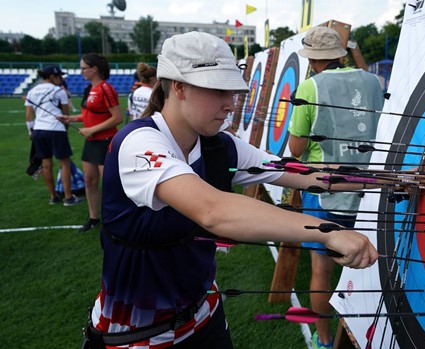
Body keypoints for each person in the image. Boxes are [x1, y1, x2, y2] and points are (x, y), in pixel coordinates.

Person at [80, 31, 379, 349]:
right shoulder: (138, 142)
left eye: (232, 92)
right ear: (179, 87)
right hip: (138, 334)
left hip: (205, 314)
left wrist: (385, 179)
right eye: (218, 91)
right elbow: (214, 211)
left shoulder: (218, 145)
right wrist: (326, 231)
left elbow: (299, 173)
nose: (230, 104)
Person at [288, 26, 385, 349]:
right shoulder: (372, 81)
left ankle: (325, 340)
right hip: (370, 191)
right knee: (371, 262)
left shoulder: (309, 87)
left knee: (322, 271)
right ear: (340, 54)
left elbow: (296, 149)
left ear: (313, 59)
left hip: (325, 193)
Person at [58, 53, 123, 232]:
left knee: (109, 183)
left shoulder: (105, 88)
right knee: (89, 180)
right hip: (92, 141)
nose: (81, 72)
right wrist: (71, 118)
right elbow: (90, 116)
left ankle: (115, 218)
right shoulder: (89, 89)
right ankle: (94, 218)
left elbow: (117, 117)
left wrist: (93, 130)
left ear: (94, 69)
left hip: (105, 141)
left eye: (84, 68)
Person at [24, 65, 83, 206]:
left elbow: (28, 115)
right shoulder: (59, 91)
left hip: (38, 130)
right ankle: (68, 197)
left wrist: (30, 132)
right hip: (56, 129)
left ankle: (53, 196)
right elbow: (65, 114)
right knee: (64, 163)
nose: (61, 79)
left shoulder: (32, 91)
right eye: (59, 77)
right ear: (51, 77)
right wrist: (65, 130)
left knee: (46, 164)